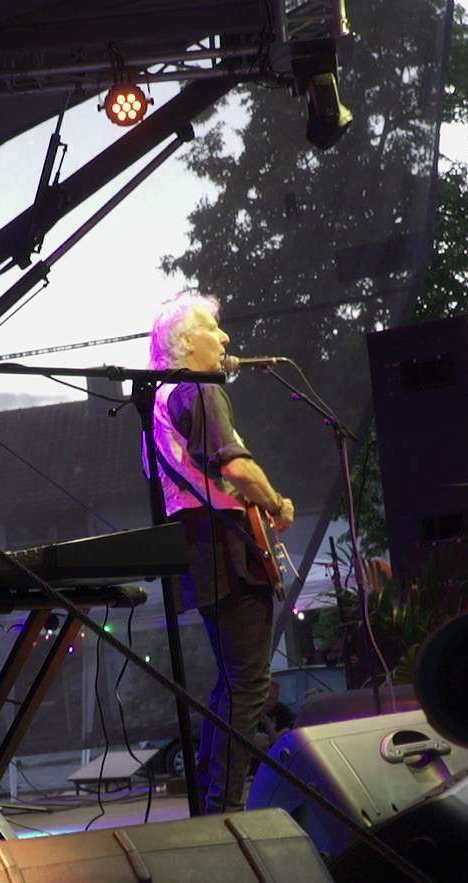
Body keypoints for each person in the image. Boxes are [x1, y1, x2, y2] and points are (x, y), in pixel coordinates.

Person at [145, 291, 296, 814]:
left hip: (198, 547)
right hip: (227, 547)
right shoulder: (199, 389)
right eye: (213, 328)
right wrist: (275, 502)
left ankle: (215, 803)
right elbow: (233, 465)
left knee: (233, 684)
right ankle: (226, 808)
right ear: (187, 343)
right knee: (250, 684)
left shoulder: (161, 399)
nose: (226, 337)